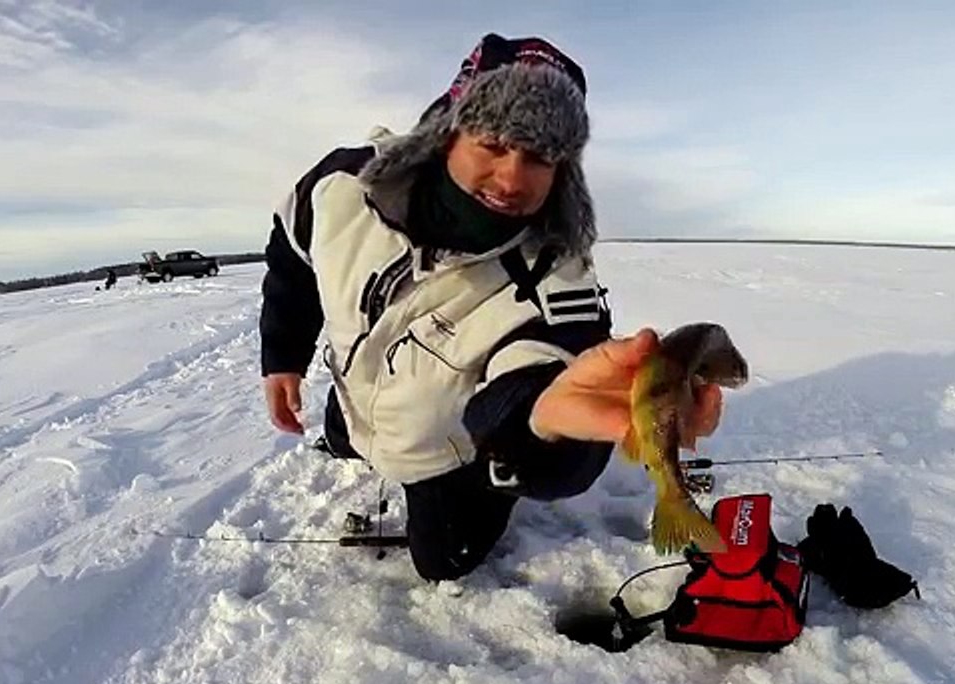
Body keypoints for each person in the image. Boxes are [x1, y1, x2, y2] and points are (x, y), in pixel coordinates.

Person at [259, 33, 722, 581]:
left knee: (442, 563)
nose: (511, 179)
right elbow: (292, 257)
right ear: (449, 127)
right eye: (495, 143)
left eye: (539, 157)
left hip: (443, 447)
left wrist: (543, 429)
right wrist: (283, 354)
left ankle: (486, 481)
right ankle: (352, 431)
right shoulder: (339, 185)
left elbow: (539, 382)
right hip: (359, 394)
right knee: (343, 433)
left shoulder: (559, 276)